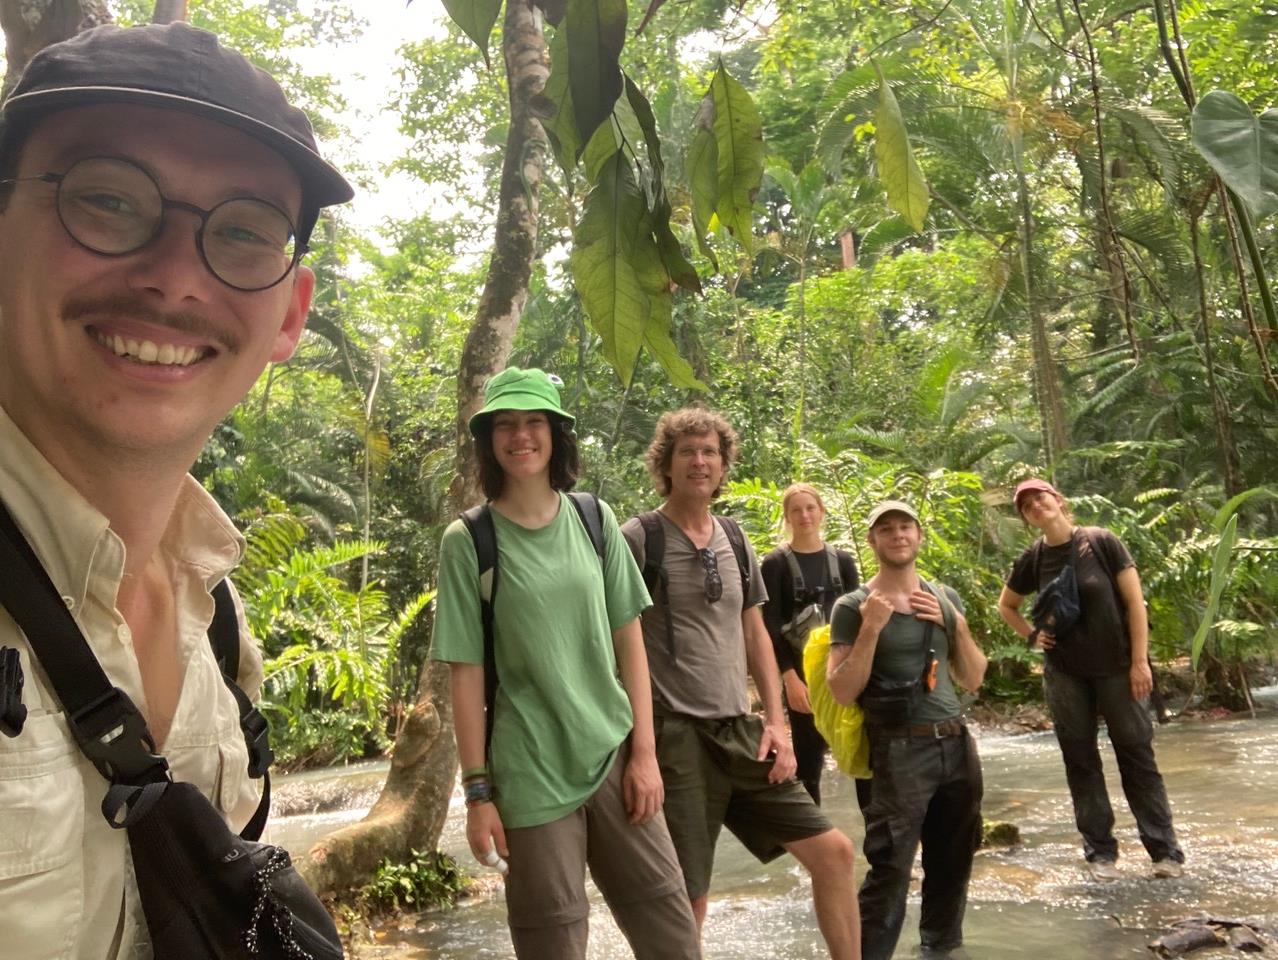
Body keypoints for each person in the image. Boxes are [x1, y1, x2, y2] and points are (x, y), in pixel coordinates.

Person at [0, 21, 351, 958]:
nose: (174, 278)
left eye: (241, 232)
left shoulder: (219, 618)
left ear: (289, 317)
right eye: (107, 200)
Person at [430, 368, 698, 959]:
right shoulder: (468, 541)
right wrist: (478, 798)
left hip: (614, 753)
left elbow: (631, 642)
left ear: (556, 435)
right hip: (528, 774)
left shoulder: (594, 520)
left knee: (673, 938)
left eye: (533, 423)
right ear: (488, 440)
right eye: (505, 425)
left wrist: (646, 755)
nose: (520, 436)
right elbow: (466, 675)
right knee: (553, 946)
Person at [621, 408, 860, 960]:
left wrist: (776, 722)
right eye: (688, 452)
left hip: (740, 731)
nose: (700, 461)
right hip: (674, 735)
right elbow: (618, 635)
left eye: (710, 452)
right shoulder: (640, 538)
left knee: (835, 854)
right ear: (667, 464)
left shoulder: (733, 537)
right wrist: (642, 751)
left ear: (724, 464)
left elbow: (755, 630)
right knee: (688, 897)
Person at [997, 478, 1185, 882]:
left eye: (1040, 497)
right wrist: (1031, 636)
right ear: (1026, 518)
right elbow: (1007, 605)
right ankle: (1100, 853)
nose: (1035, 505)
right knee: (1080, 761)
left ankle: (1164, 852)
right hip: (1065, 674)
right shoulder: (1033, 558)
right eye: (1026, 505)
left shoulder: (1101, 542)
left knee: (1137, 757)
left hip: (1118, 668)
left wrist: (1140, 663)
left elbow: (1135, 603)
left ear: (1058, 500)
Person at [828, 500, 987, 960]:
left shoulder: (945, 597)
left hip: (955, 742)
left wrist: (951, 622)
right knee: (891, 866)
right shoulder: (853, 606)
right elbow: (841, 690)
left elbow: (974, 676)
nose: (898, 535)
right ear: (873, 540)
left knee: (953, 861)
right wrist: (871, 630)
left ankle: (939, 949)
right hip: (897, 750)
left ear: (918, 537)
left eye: (905, 527)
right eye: (887, 529)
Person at [760, 482, 859, 804]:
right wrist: (789, 678)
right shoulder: (774, 565)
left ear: (821, 512)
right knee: (809, 764)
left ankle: (876, 846)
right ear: (787, 517)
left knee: (860, 754)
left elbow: (859, 615)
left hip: (845, 670)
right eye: (796, 510)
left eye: (810, 508)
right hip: (802, 678)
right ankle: (813, 846)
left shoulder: (842, 561)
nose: (805, 515)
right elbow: (770, 624)